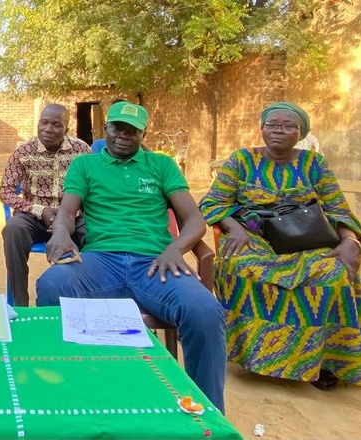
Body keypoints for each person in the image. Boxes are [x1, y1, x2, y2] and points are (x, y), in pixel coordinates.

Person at [35, 101, 227, 413]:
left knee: (205, 310)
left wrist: (175, 249)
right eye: (117, 128)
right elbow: (68, 212)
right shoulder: (85, 165)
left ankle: (207, 415)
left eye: (132, 130)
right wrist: (60, 231)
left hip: (156, 263)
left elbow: (195, 221)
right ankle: (66, 393)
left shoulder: (161, 165)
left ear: (143, 133)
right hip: (101, 262)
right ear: (105, 129)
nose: (124, 135)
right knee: (53, 283)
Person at [199, 101, 361, 391]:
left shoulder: (314, 163)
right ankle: (253, 354)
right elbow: (213, 202)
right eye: (272, 124)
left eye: (288, 126)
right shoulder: (242, 160)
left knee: (333, 272)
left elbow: (337, 207)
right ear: (262, 128)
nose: (279, 130)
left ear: (301, 132)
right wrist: (234, 227)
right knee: (240, 266)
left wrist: (349, 240)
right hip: (255, 236)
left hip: (307, 238)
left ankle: (325, 361)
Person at [0, 104, 89, 306]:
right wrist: (40, 211)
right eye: (44, 122)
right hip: (34, 218)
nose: (48, 129)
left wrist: (72, 214)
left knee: (96, 234)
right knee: (13, 229)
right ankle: (19, 303)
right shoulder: (23, 151)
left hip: (73, 217)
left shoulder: (82, 151)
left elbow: (94, 188)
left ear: (66, 130)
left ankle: (84, 302)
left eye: (56, 125)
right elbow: (5, 192)